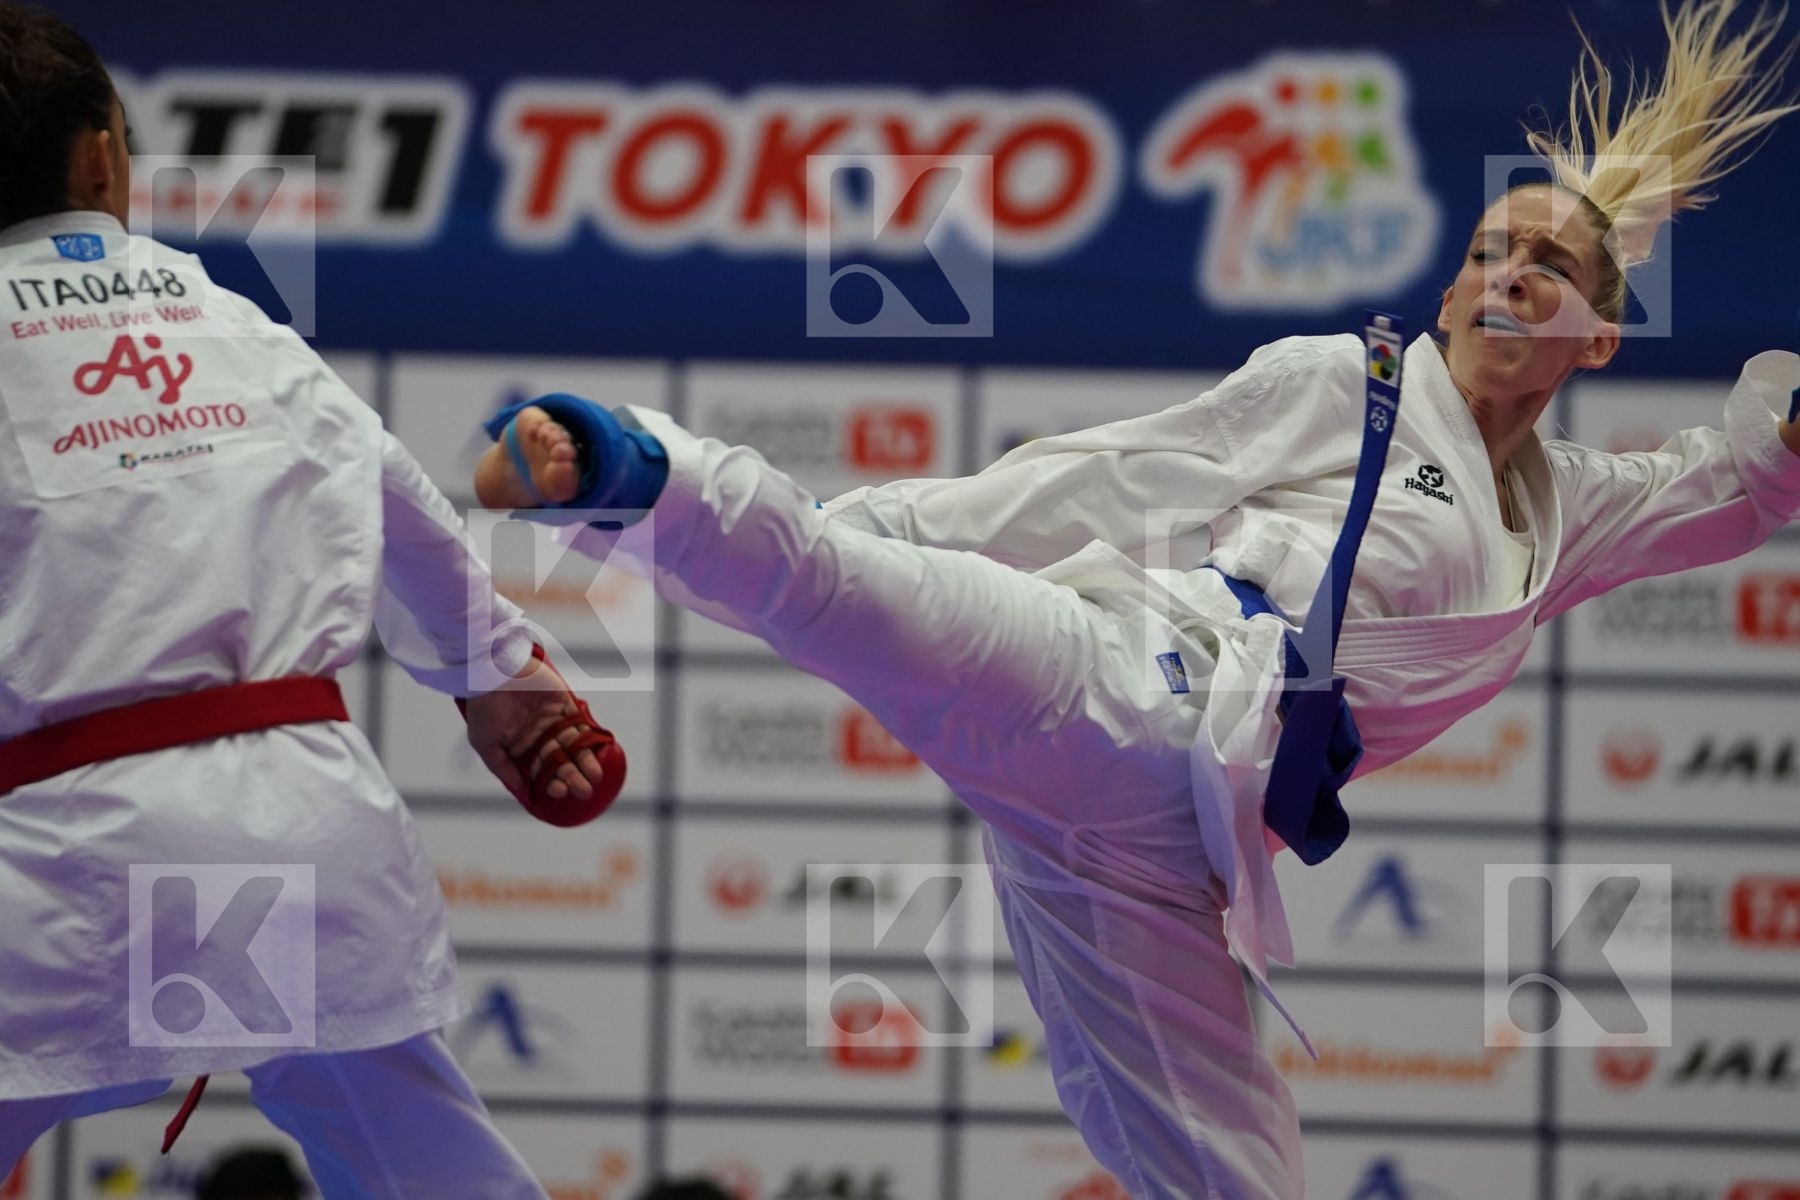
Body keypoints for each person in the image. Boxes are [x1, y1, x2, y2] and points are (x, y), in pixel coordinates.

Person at [473, 2, 1800, 1196]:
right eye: (1492, 254)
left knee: (1235, 1172)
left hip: (1179, 858)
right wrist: (864, 527)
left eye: (1548, 273)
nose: (1510, 278)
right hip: (1126, 687)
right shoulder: (1356, 382)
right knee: (841, 583)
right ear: (1449, 287)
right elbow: (1110, 478)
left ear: (1600, 338)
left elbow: (1731, 483)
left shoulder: (1567, 515)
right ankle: (626, 470)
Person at [0, 6, 612, 1197]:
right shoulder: (235, 327)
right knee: (426, 1166)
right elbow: (406, 515)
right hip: (298, 833)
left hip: (60, 858)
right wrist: (502, 686)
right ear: (99, 159)